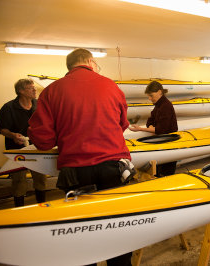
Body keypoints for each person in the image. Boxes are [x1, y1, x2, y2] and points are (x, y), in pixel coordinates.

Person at [28, 48, 134, 266]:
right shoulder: (111, 85)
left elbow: (43, 141)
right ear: (90, 61)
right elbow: (123, 124)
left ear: (69, 67)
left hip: (75, 172)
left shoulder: (51, 91)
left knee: (83, 230)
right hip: (113, 166)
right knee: (118, 227)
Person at [0, 78, 47, 207]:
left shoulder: (39, 104)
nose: (35, 89)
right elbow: (2, 129)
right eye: (31, 87)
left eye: (33, 87)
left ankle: (42, 208)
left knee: (40, 179)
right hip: (16, 150)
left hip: (37, 149)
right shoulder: (8, 108)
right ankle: (20, 210)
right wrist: (12, 135)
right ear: (21, 91)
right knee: (19, 181)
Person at [129, 81, 178, 177]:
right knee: (159, 173)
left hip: (168, 144)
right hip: (162, 142)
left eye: (151, 96)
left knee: (166, 174)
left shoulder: (166, 106)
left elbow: (161, 130)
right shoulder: (159, 105)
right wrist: (151, 127)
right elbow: (149, 121)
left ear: (160, 92)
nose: (149, 98)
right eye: (148, 96)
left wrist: (140, 129)